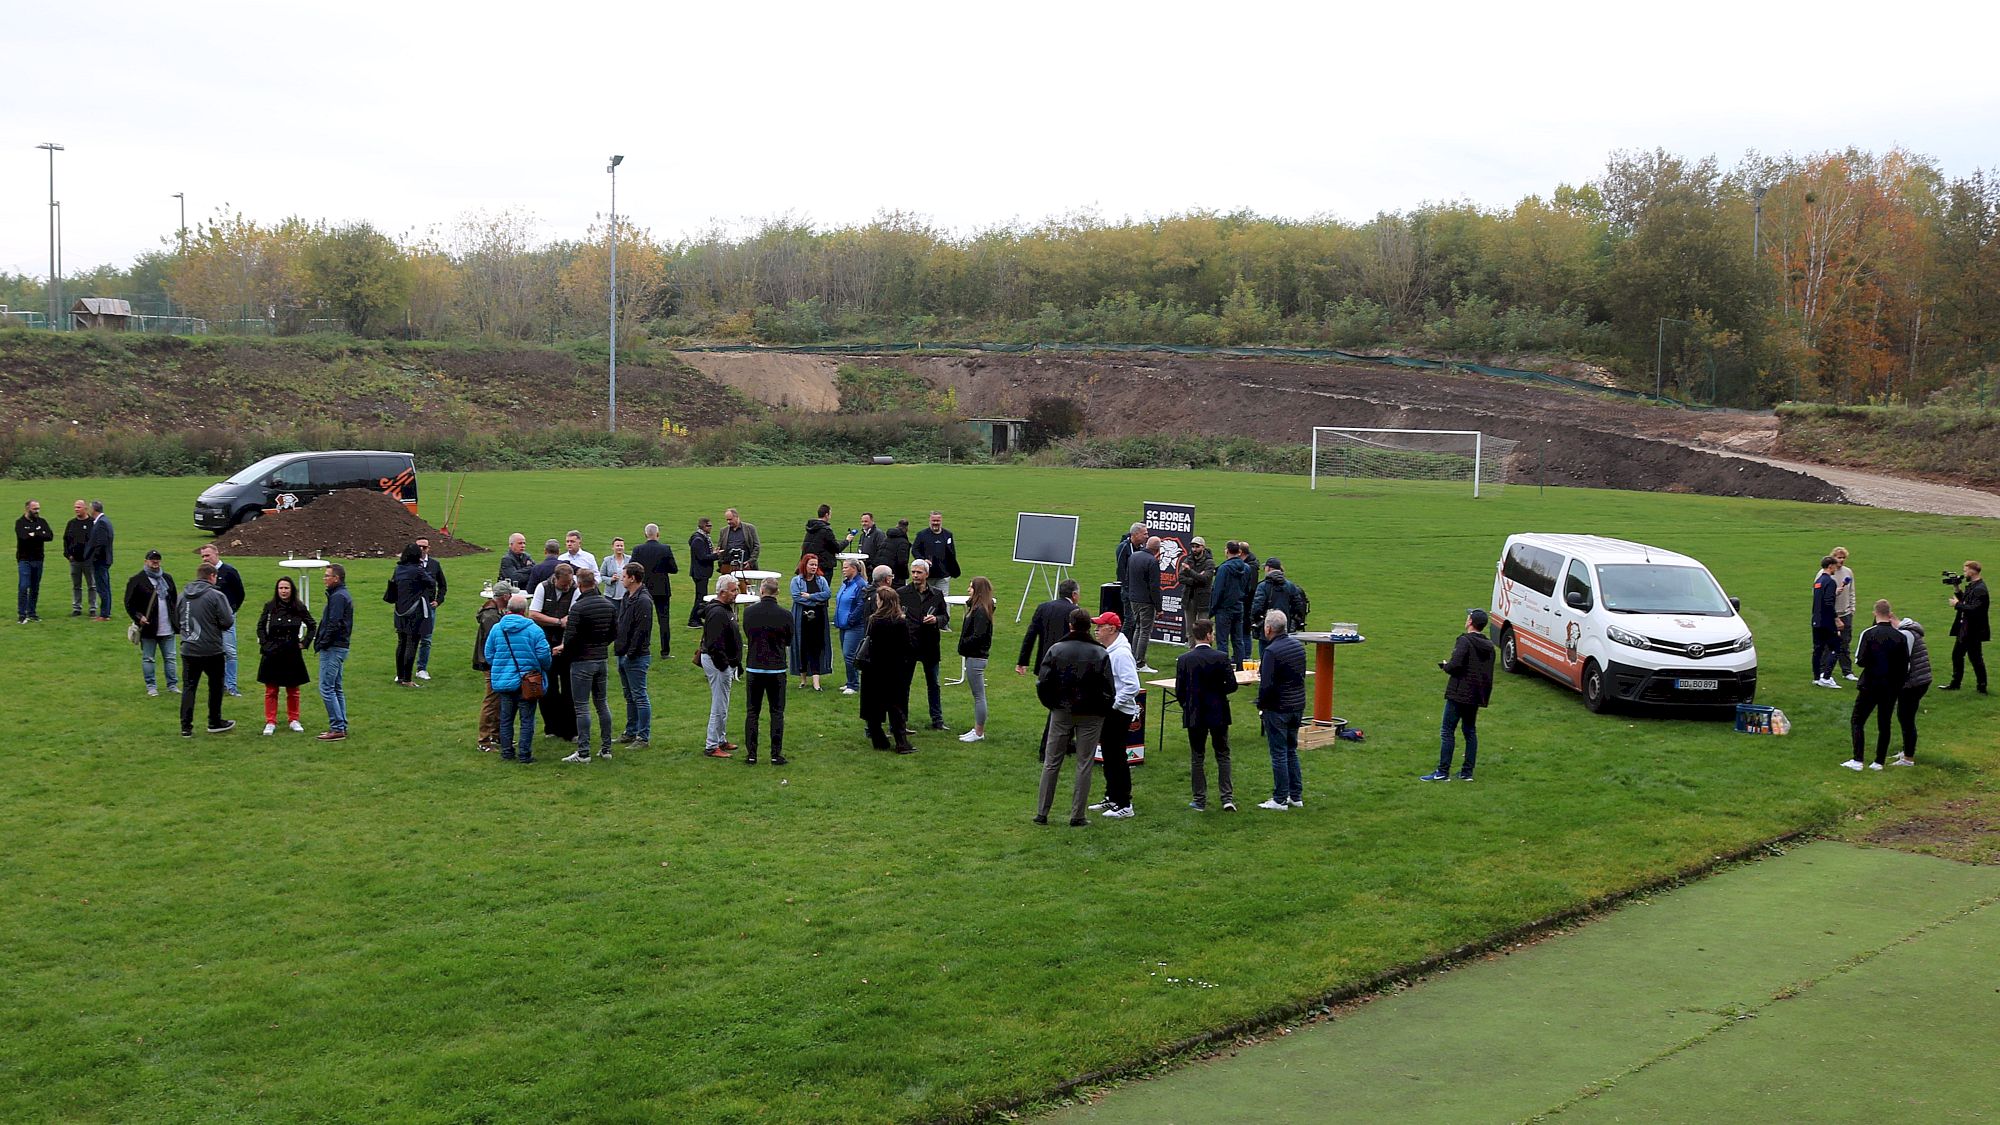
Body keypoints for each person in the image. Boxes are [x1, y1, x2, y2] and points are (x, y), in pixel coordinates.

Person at [1034, 607, 1114, 826]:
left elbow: (1043, 682)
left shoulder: (1057, 649)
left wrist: (1052, 705)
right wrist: (1102, 710)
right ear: (1089, 627)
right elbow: (1109, 687)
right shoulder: (1100, 653)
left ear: (1070, 626)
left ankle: (1042, 812)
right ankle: (1077, 815)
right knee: (1084, 763)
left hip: (1062, 711)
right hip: (1091, 714)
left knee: (1051, 762)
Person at [1422, 608, 1496, 782]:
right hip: (1476, 695)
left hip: (1459, 692)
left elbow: (1455, 665)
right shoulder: (1489, 646)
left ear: (1470, 622)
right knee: (1470, 731)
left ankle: (1442, 772)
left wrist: (1445, 666)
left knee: (1447, 730)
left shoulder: (1464, 641)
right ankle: (1467, 773)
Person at [1176, 619, 1238, 811]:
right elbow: (1232, 685)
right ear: (1209, 635)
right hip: (1218, 711)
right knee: (1223, 754)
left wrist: (1188, 704)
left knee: (1197, 756)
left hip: (1195, 713)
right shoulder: (1221, 657)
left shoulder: (1185, 659)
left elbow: (1179, 691)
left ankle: (1199, 800)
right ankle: (1227, 797)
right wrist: (1218, 693)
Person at [485, 592, 552, 763]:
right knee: (527, 719)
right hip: (528, 680)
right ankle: (524, 754)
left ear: (508, 609)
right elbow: (544, 655)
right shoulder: (534, 630)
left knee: (506, 719)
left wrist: (501, 666)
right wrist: (541, 668)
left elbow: (489, 654)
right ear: (524, 611)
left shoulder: (497, 629)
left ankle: (507, 752)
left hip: (504, 680)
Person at [1845, 599, 1910, 771]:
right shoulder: (1900, 636)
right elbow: (1905, 664)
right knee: (1884, 723)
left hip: (1871, 684)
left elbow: (1860, 660)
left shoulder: (1869, 633)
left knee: (1858, 720)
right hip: (1891, 686)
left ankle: (1858, 760)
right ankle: (1879, 761)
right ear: (1890, 614)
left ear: (1875, 613)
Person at [561, 569, 618, 763]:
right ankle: (606, 748)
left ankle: (583, 752)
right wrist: (600, 645)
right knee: (602, 703)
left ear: (579, 584)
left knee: (582, 707)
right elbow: (614, 632)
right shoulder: (608, 605)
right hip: (601, 659)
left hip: (582, 661)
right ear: (594, 583)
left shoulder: (578, 608)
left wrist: (568, 654)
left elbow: (569, 638)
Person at [1090, 610, 1142, 818]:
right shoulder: (1111, 650)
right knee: (1109, 756)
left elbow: (1133, 686)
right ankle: (1112, 797)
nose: (1096, 630)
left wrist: (1114, 704)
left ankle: (1124, 804)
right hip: (1113, 710)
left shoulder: (1120, 654)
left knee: (1116, 757)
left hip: (1119, 713)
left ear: (1111, 629)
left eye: (1100, 627)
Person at [1255, 610, 1307, 810]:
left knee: (1278, 753)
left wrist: (1261, 705)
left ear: (1268, 629)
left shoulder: (1271, 651)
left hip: (1278, 708)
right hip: (1297, 705)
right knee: (1291, 750)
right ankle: (1296, 795)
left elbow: (1266, 685)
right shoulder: (1298, 646)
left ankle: (1280, 799)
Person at [178, 561, 236, 736]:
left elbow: (176, 620)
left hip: (188, 648)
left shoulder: (182, 596)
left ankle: (186, 727)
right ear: (212, 576)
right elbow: (228, 621)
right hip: (211, 649)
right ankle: (214, 721)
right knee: (216, 686)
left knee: (189, 687)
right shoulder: (216, 595)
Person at [254, 576, 317, 736]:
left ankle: (294, 719)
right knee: (271, 689)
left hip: (291, 652)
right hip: (272, 652)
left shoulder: (299, 607)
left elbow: (312, 625)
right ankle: (270, 721)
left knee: (293, 688)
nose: (283, 591)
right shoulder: (270, 606)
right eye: (281, 588)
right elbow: (260, 626)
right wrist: (265, 644)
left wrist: (304, 643)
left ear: (291, 589)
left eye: (286, 588)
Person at [741, 576, 794, 766]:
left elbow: (747, 633)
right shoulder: (786, 615)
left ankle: (751, 754)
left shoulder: (749, 612)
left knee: (752, 712)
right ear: (777, 592)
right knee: (777, 712)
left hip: (755, 665)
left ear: (761, 591)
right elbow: (789, 640)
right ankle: (775, 754)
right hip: (776, 668)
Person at [861, 586, 917, 753]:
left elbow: (869, 641)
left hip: (874, 669)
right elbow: (907, 646)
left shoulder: (874, 620)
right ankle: (901, 743)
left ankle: (879, 740)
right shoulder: (900, 622)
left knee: (874, 706)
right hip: (894, 669)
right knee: (896, 706)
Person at [529, 564, 579, 742]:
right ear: (555, 579)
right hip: (545, 643)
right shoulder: (543, 587)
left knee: (569, 687)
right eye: (564, 584)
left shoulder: (575, 589)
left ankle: (570, 730)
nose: (567, 587)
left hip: (566, 643)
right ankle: (551, 727)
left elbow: (573, 616)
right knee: (548, 687)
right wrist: (557, 621)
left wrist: (558, 624)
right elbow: (533, 614)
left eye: (569, 583)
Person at [901, 559, 951, 730]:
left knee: (934, 684)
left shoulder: (936, 594)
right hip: (908, 645)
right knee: (904, 685)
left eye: (919, 572)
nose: (915, 575)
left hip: (930, 645)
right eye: (913, 572)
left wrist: (936, 619)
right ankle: (901, 721)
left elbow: (945, 617)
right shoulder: (902, 593)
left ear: (927, 574)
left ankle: (937, 720)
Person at [123, 549, 180, 697]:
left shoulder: (167, 578)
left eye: (157, 559)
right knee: (148, 658)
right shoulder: (136, 580)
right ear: (146, 561)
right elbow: (129, 604)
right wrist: (139, 617)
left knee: (170, 658)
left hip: (167, 627)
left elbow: (174, 600)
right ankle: (151, 686)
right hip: (149, 628)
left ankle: (172, 685)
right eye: (152, 559)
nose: (155, 562)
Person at [697, 575, 743, 758]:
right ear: (722, 592)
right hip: (718, 663)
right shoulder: (718, 613)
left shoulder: (722, 609)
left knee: (723, 703)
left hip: (722, 662)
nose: (736, 593)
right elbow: (715, 644)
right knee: (719, 705)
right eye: (733, 590)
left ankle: (720, 739)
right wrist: (725, 666)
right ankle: (712, 745)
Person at [195, 544, 247, 696]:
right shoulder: (204, 574)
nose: (205, 559)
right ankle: (219, 685)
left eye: (207, 555)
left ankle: (231, 686)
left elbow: (240, 593)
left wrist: (231, 611)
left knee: (229, 652)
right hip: (209, 621)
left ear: (216, 554)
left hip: (226, 620)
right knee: (213, 653)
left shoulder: (229, 571)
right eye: (202, 556)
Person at [614, 562, 654, 747]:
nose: (621, 579)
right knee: (629, 696)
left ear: (632, 578)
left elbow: (642, 630)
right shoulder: (627, 596)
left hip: (636, 656)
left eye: (624, 576)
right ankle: (630, 732)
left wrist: (630, 654)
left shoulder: (643, 600)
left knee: (639, 696)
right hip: (623, 653)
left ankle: (643, 736)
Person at [386, 544, 437, 688]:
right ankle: (407, 679)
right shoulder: (417, 571)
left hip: (400, 611)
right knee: (412, 643)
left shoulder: (398, 569)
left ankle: (400, 676)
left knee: (401, 642)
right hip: (415, 611)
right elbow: (431, 583)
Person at [313, 564, 353, 741]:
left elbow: (333, 623)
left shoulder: (338, 597)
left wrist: (322, 642)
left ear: (336, 578)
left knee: (326, 688)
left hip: (333, 647)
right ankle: (341, 725)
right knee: (336, 687)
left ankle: (337, 728)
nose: (324, 579)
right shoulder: (341, 594)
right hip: (340, 646)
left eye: (327, 576)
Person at [473, 580, 513, 752]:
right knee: (491, 702)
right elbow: (496, 642)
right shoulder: (491, 617)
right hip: (492, 664)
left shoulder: (495, 612)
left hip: (495, 663)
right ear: (505, 596)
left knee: (498, 701)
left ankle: (496, 735)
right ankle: (484, 740)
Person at [630, 522, 679, 656]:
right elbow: (674, 569)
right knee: (664, 620)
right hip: (662, 589)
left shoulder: (638, 550)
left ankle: (642, 648)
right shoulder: (665, 549)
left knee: (642, 619)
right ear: (658, 534)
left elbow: (631, 568)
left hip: (643, 589)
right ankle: (665, 651)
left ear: (645, 534)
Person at [957, 576, 996, 742]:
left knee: (979, 696)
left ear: (978, 590)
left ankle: (979, 732)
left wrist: (963, 644)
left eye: (971, 587)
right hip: (975, 656)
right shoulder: (979, 607)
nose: (968, 590)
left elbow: (978, 636)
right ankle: (977, 730)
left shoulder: (980, 611)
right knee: (978, 695)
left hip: (976, 657)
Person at [1018, 579, 1082, 677]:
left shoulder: (1043, 608)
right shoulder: (1075, 611)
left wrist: (1023, 661)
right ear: (1074, 594)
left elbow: (1030, 636)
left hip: (1044, 662)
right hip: (1067, 664)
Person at [1942, 560, 1988, 693]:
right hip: (1966, 628)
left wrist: (1956, 605)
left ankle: (1980, 686)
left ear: (1972, 571)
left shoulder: (1980, 589)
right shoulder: (1974, 586)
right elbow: (1966, 600)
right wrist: (1956, 588)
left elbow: (1975, 609)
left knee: (1975, 658)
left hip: (1972, 630)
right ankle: (1960, 684)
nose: (1964, 573)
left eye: (1965, 570)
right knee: (1959, 655)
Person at [1893, 615, 1933, 766]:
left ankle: (1908, 758)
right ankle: (1907, 751)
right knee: (1905, 717)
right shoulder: (1910, 630)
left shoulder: (1905, 634)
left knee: (1906, 718)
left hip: (1914, 682)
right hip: (1921, 679)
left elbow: (1904, 663)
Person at [1210, 541, 1256, 669]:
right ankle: (1240, 668)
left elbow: (1218, 590)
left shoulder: (1224, 569)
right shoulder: (1247, 568)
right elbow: (1247, 588)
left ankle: (1223, 668)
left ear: (1227, 551)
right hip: (1239, 606)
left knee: (1222, 641)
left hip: (1224, 608)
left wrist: (1212, 609)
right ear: (1239, 552)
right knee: (1238, 640)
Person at [1249, 558, 1308, 658]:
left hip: (1266, 628)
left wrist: (1255, 622)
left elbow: (1257, 607)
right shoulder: (1290, 585)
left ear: (1269, 568)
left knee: (1265, 658)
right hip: (1285, 627)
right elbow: (1298, 606)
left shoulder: (1263, 586)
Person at [789, 555, 832, 691]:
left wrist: (811, 596)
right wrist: (816, 602)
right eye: (811, 564)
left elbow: (827, 594)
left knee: (817, 647)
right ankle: (803, 679)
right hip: (802, 619)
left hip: (818, 620)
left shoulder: (821, 580)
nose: (814, 567)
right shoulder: (796, 581)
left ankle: (816, 681)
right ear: (805, 565)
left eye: (815, 565)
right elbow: (797, 597)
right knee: (802, 647)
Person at [1123, 536, 1162, 672]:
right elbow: (1154, 587)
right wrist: (1159, 608)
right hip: (1146, 601)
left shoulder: (1134, 556)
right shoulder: (1152, 562)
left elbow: (1127, 577)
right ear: (1157, 549)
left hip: (1133, 598)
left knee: (1138, 628)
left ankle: (1133, 659)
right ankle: (1140, 663)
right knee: (1145, 631)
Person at [412, 536, 447, 681]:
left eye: (424, 547)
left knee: (426, 639)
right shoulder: (409, 564)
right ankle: (404, 671)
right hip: (413, 607)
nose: (421, 549)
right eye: (419, 547)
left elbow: (443, 585)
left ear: (428, 549)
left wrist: (438, 601)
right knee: (410, 638)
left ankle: (422, 668)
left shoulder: (434, 564)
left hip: (428, 606)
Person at [835, 559, 871, 695]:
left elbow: (861, 605)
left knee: (849, 654)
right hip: (843, 625)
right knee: (847, 655)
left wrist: (851, 619)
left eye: (846, 567)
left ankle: (854, 684)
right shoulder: (846, 583)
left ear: (854, 569)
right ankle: (850, 681)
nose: (843, 570)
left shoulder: (860, 585)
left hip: (854, 626)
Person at [16, 498, 53, 623]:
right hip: (24, 559)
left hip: (38, 559)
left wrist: (34, 534)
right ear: (27, 508)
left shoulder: (42, 521)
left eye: (38, 508)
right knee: (23, 586)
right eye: (35, 509)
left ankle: (32, 613)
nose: (37, 511)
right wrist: (39, 533)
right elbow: (23, 537)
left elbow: (49, 536)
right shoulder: (20, 522)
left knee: (35, 587)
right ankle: (22, 615)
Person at [913, 510, 961, 599]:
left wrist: (952, 570)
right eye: (933, 520)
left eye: (937, 521)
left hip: (943, 576)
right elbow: (914, 550)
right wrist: (923, 560)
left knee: (943, 599)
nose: (935, 523)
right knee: (925, 598)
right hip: (927, 576)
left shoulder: (948, 535)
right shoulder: (922, 535)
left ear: (941, 521)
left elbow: (952, 553)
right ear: (930, 521)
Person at [1811, 555, 1842, 688]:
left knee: (1817, 649)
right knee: (1836, 647)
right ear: (1830, 566)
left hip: (1816, 620)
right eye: (1835, 566)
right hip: (1826, 621)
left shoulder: (1818, 582)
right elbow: (1829, 603)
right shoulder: (1830, 582)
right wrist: (1837, 619)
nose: (1836, 569)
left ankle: (1817, 677)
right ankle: (1826, 677)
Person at [63, 499, 96, 618]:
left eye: (79, 507)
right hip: (75, 561)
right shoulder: (71, 523)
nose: (76, 509)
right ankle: (77, 608)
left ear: (85, 508)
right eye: (75, 507)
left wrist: (94, 556)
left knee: (92, 585)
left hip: (89, 561)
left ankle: (92, 608)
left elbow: (97, 540)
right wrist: (68, 555)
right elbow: (66, 540)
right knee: (76, 585)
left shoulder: (93, 523)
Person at [1830, 546, 1857, 681]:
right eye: (1839, 557)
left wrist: (1852, 609)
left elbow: (1852, 591)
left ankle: (1847, 671)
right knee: (1828, 644)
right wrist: (1835, 593)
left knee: (1845, 643)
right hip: (1831, 614)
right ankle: (1824, 672)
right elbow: (1819, 594)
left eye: (1843, 558)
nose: (1841, 560)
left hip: (1845, 613)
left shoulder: (1848, 572)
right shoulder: (1826, 573)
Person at [1177, 536, 1216, 628]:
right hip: (1189, 598)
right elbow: (1180, 578)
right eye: (1193, 546)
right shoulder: (1188, 560)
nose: (1194, 549)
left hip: (1203, 600)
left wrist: (1189, 571)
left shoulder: (1209, 562)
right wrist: (1196, 578)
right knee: (1190, 629)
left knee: (1203, 629)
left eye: (1197, 546)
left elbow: (1205, 579)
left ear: (1203, 547)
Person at [86, 500, 115, 622]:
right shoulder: (105, 521)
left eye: (90, 508)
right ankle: (106, 612)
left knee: (102, 587)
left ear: (94, 509)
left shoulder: (101, 523)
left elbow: (101, 543)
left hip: (100, 561)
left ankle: (104, 615)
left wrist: (94, 558)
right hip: (104, 560)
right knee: (105, 587)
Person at [686, 517, 718, 627]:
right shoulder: (698, 540)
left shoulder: (700, 537)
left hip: (700, 572)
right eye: (709, 526)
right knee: (701, 597)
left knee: (701, 596)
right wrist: (716, 555)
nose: (711, 528)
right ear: (703, 526)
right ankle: (693, 620)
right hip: (700, 573)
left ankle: (697, 619)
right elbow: (702, 557)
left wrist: (713, 553)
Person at [802, 505, 842, 587]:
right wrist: (847, 540)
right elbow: (837, 548)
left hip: (809, 565)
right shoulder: (826, 530)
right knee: (823, 590)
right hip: (824, 567)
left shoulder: (810, 529)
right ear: (827, 515)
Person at [850, 511, 889, 579]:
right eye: (862, 521)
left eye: (866, 521)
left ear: (872, 521)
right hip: (864, 568)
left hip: (873, 569)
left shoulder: (879, 534)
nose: (863, 523)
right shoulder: (863, 535)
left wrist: (873, 565)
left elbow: (882, 552)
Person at [601, 538, 631, 605]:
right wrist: (611, 579)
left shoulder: (630, 559)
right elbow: (602, 576)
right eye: (617, 546)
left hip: (627, 595)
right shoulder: (607, 560)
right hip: (611, 596)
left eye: (621, 546)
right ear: (613, 547)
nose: (619, 548)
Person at [885, 519, 912, 586]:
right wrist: (905, 575)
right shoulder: (903, 542)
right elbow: (902, 561)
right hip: (897, 576)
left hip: (885, 572)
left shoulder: (887, 539)